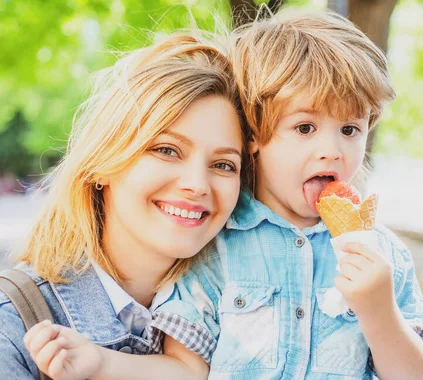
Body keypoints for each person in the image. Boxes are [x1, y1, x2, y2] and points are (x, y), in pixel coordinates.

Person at [25, 11, 423, 380]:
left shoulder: (383, 254)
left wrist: (379, 312)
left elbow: (414, 373)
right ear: (255, 137)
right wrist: (100, 363)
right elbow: (186, 370)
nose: (333, 150)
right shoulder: (213, 248)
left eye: (351, 130)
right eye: (305, 128)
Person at [0, 31, 249, 380]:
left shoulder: (253, 322)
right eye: (166, 150)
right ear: (105, 161)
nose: (197, 184)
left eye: (224, 164)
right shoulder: (12, 326)